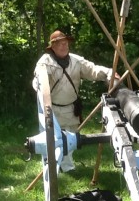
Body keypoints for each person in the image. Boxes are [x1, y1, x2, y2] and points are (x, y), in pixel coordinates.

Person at [33, 30, 118, 172]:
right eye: (59, 44)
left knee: (70, 139)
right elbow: (39, 80)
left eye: (65, 43)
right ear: (52, 47)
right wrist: (39, 84)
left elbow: (93, 70)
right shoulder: (45, 62)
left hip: (71, 108)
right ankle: (52, 167)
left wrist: (109, 73)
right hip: (52, 109)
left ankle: (67, 167)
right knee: (52, 141)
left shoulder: (76, 61)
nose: (63, 46)